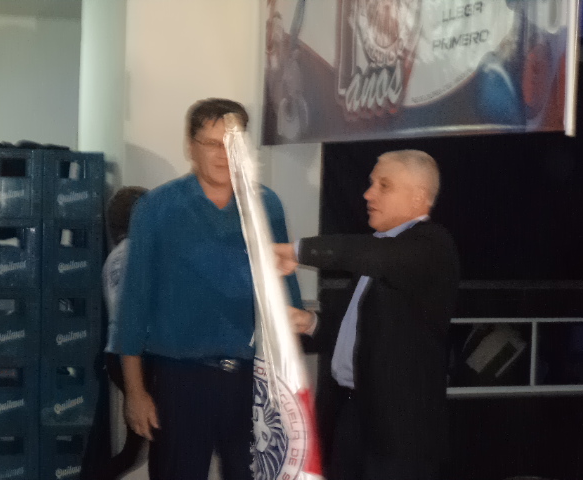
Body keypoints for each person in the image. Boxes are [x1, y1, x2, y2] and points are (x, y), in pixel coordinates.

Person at [106, 98, 303, 480]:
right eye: (212, 144)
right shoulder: (157, 208)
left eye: (233, 144)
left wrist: (286, 389)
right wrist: (135, 391)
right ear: (190, 146)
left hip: (253, 380)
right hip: (181, 381)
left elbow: (285, 295)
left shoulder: (266, 205)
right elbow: (134, 303)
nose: (224, 155)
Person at [274, 150, 460, 480]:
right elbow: (354, 333)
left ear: (418, 197)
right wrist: (310, 323)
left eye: (383, 185)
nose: (368, 194)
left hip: (401, 435)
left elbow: (369, 255)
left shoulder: (432, 246)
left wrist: (296, 251)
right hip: (353, 417)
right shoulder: (379, 251)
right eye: (371, 183)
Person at [102, 186, 150, 479]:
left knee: (135, 450)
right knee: (152, 442)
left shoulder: (114, 258)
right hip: (138, 355)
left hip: (117, 355)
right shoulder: (140, 254)